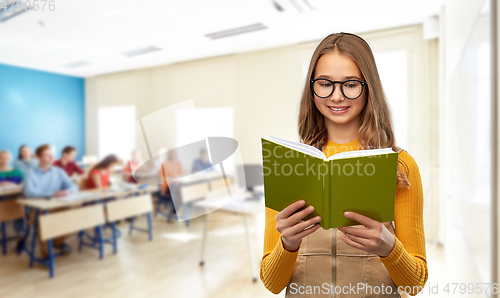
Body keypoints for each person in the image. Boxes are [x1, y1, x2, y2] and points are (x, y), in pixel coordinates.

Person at [260, 32, 428, 297]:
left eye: (350, 84)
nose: (337, 96)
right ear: (312, 87)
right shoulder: (289, 163)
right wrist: (288, 243)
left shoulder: (400, 166)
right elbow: (272, 284)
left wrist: (388, 247)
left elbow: (415, 283)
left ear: (368, 86)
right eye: (325, 83)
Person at [24, 144, 78, 258]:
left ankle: (56, 242)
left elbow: (72, 186)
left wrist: (69, 191)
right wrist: (52, 194)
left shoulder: (59, 171)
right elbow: (28, 192)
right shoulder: (30, 173)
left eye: (52, 155)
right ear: (38, 157)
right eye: (47, 155)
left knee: (75, 215)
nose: (51, 158)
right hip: (37, 209)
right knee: (44, 220)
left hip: (57, 205)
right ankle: (46, 253)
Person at [0, 150, 25, 254]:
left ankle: (21, 238)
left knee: (19, 213)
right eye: (2, 158)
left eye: (7, 158)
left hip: (15, 199)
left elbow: (23, 185)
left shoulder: (18, 171)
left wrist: (12, 185)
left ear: (10, 159)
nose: (4, 160)